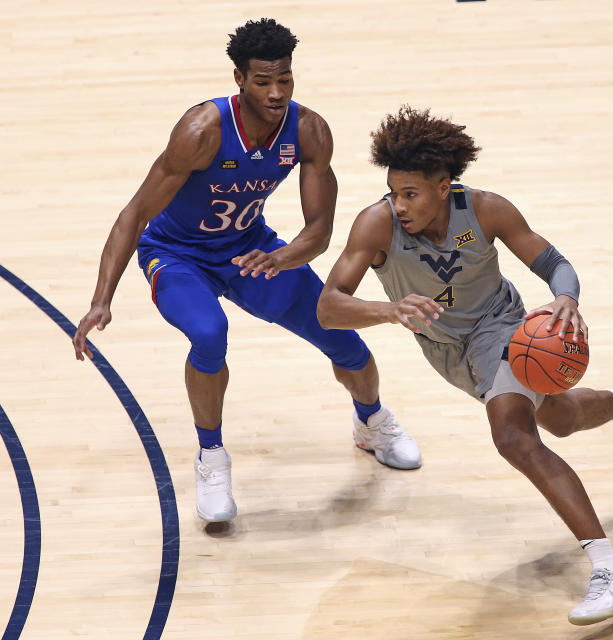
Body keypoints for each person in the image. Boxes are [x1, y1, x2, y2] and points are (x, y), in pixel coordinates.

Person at [316, 106, 613, 625]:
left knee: (513, 438)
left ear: (444, 186)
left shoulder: (487, 211)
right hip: (446, 350)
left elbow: (553, 262)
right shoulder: (376, 224)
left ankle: (610, 571)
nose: (399, 205)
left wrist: (566, 297)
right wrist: (389, 309)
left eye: (411, 194)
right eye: (394, 192)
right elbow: (329, 307)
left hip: (501, 327)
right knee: (558, 420)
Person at [71, 19, 421, 524]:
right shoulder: (201, 131)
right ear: (239, 78)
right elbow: (133, 215)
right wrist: (101, 298)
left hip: (250, 251)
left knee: (341, 336)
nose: (277, 92)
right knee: (211, 333)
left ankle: (371, 422)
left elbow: (319, 229)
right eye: (263, 82)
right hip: (177, 254)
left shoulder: (308, 130)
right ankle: (211, 457)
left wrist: (284, 257)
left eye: (285, 79)